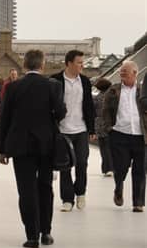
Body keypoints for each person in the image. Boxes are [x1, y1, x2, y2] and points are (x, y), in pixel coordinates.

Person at [0, 48, 66, 247]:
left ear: (24, 65)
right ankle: (46, 232)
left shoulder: (13, 87)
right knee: (45, 187)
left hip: (20, 146)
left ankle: (32, 236)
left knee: (26, 190)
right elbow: (61, 112)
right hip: (46, 145)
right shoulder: (51, 86)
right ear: (42, 65)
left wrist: (3, 149)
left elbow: (5, 120)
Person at [50, 50, 95, 211]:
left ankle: (80, 193)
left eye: (83, 63)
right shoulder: (55, 80)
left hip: (81, 129)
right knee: (65, 166)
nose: (82, 65)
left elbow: (89, 104)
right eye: (79, 62)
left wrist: (92, 128)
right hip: (62, 129)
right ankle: (67, 199)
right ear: (69, 63)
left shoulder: (84, 81)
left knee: (82, 163)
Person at [102, 60, 146, 212]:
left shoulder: (142, 90)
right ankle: (118, 187)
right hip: (119, 134)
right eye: (121, 73)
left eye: (125, 73)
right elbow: (105, 111)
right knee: (120, 167)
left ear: (135, 73)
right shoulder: (113, 91)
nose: (122, 76)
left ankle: (138, 202)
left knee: (140, 169)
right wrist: (109, 128)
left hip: (140, 135)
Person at [92, 77, 114, 176]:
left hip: (99, 124)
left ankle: (105, 168)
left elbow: (93, 112)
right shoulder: (111, 97)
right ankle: (111, 167)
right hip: (109, 124)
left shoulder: (96, 98)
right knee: (110, 147)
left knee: (103, 148)